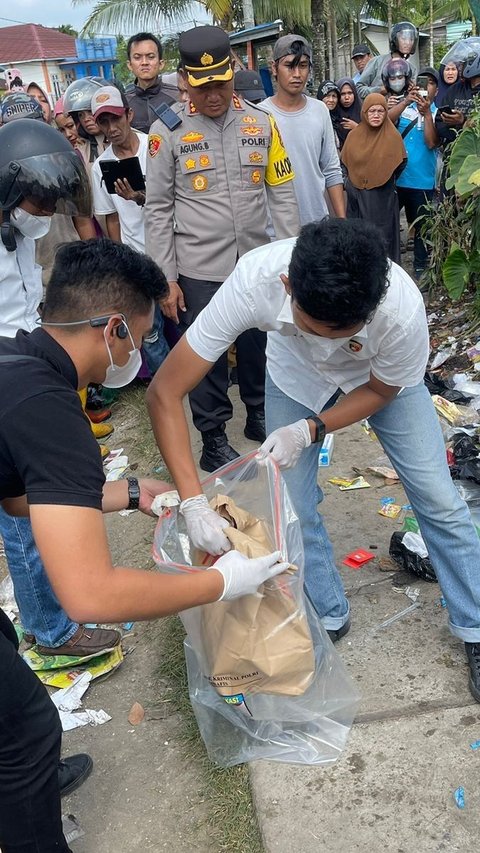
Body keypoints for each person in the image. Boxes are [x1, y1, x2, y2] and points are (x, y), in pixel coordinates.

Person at [0, 235, 286, 853]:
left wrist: (130, 492)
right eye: (144, 334)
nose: (143, 350)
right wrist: (221, 582)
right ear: (112, 330)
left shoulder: (15, 363)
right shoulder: (49, 408)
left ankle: (18, 789)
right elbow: (90, 594)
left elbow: (15, 493)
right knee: (26, 729)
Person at [146, 216, 480, 707]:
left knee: (437, 496)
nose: (328, 342)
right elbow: (165, 391)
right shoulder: (255, 281)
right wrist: (193, 502)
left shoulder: (401, 307)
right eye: (316, 328)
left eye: (343, 332)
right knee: (293, 503)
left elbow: (384, 389)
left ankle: (475, 625)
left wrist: (311, 429)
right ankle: (325, 614)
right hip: (293, 376)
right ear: (288, 288)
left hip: (378, 379)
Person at [144, 25, 299, 472]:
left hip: (255, 261)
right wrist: (166, 279)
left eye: (221, 82)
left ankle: (258, 412)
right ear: (185, 80)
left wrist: (290, 259)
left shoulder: (260, 121)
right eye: (201, 84)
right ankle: (212, 436)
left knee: (258, 342)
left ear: (235, 72)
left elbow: (282, 193)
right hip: (199, 267)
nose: (212, 94)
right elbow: (157, 209)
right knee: (205, 354)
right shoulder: (165, 132)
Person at [0, 117, 118, 661]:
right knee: (23, 519)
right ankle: (51, 633)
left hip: (28, 371)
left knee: (42, 508)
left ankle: (58, 612)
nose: (44, 217)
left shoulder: (17, 235)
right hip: (9, 389)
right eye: (39, 205)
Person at [90, 84, 170, 374]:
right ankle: (168, 383)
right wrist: (121, 263)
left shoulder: (156, 146)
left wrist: (139, 196)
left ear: (129, 114)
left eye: (116, 118)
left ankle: (198, 381)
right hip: (137, 258)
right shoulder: (101, 166)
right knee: (150, 330)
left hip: (173, 248)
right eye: (104, 122)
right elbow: (110, 218)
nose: (111, 128)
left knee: (187, 319)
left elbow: (176, 200)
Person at [262, 33, 345, 224]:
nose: (297, 74)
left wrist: (341, 221)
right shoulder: (261, 115)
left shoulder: (320, 110)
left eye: (303, 66)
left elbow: (331, 169)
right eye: (289, 66)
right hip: (275, 229)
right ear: (274, 68)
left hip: (317, 223)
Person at [341, 93, 406, 263]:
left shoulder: (392, 137)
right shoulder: (354, 135)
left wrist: (381, 177)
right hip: (355, 196)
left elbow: (400, 163)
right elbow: (345, 161)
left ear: (386, 113)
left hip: (381, 198)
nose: (376, 115)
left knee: (382, 240)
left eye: (380, 111)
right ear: (364, 113)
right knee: (356, 239)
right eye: (371, 111)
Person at [388, 67, 439, 281]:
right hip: (397, 178)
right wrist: (406, 101)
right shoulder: (405, 107)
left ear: (436, 89)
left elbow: (431, 142)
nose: (426, 86)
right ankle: (390, 267)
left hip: (423, 182)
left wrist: (426, 113)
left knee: (422, 228)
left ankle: (419, 269)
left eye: (430, 83)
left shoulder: (438, 113)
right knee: (389, 224)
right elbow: (387, 121)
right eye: (422, 82)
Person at [125, 31, 176, 133]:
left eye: (151, 57)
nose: (144, 62)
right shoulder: (124, 103)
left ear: (161, 63)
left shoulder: (177, 97)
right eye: (137, 57)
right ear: (130, 65)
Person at [356, 21, 418, 100]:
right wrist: (379, 90)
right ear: (394, 39)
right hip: (377, 110)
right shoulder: (377, 62)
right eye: (403, 39)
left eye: (411, 39)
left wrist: (411, 90)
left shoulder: (412, 69)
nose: (408, 43)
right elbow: (359, 89)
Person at [435, 49, 480, 147]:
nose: (460, 68)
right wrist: (452, 128)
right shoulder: (455, 89)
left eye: (462, 64)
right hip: (454, 153)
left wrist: (462, 122)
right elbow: (439, 119)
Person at [62, 76, 108, 164]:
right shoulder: (81, 151)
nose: (86, 119)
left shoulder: (124, 139)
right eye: (80, 115)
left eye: (90, 111)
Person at [330, 77, 362, 148]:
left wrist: (357, 128)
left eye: (350, 93)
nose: (347, 97)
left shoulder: (363, 112)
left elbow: (372, 137)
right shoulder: (332, 115)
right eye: (343, 94)